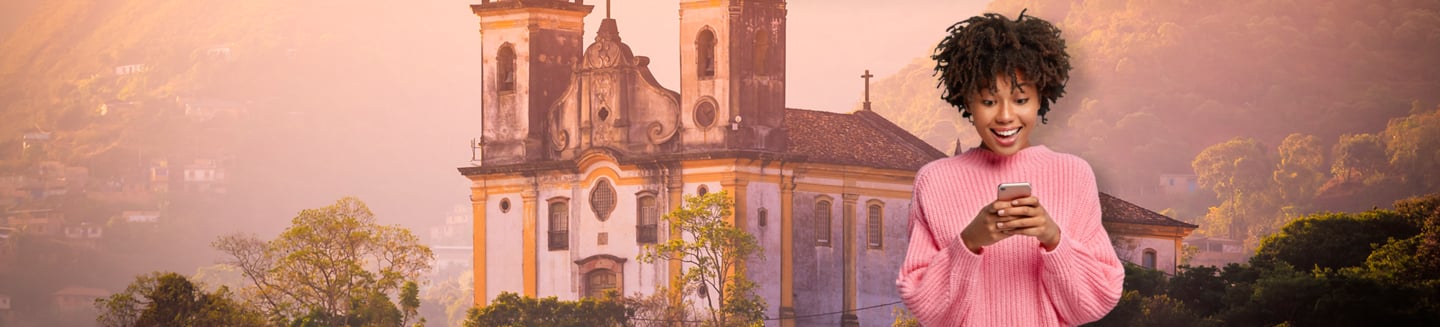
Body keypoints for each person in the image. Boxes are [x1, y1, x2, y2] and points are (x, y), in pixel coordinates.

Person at [895, 10, 1124, 326]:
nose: (1005, 116)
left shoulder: (1074, 175)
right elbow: (925, 306)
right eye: (989, 102)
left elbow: (1096, 301)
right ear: (967, 101)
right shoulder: (935, 180)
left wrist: (1053, 237)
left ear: (1040, 98)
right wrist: (969, 242)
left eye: (1020, 100)